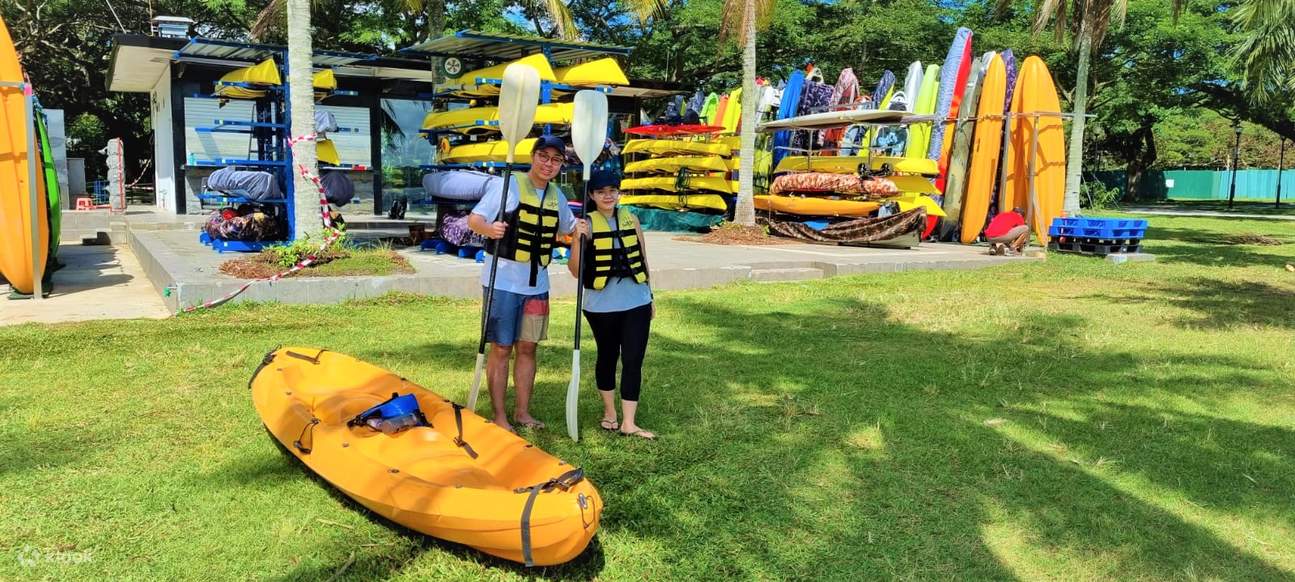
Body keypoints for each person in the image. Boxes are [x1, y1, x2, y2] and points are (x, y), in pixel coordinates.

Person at [468, 134, 576, 432]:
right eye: (544, 156)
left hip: (537, 285)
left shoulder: (557, 196)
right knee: (502, 348)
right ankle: (499, 416)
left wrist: (587, 226)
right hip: (503, 282)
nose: (549, 164)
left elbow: (569, 228)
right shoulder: (508, 185)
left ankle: (522, 413)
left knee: (528, 348)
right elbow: (474, 220)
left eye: (556, 160)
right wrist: (490, 229)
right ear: (533, 157)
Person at [568, 170, 657, 439]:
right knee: (607, 356)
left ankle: (629, 422)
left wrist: (650, 296)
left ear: (619, 193)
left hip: (637, 302)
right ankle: (610, 413)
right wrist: (577, 240)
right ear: (592, 195)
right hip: (600, 307)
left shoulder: (632, 219)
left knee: (633, 359)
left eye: (612, 191)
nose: (608, 196)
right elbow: (575, 270)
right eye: (601, 192)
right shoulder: (586, 224)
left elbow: (643, 259)